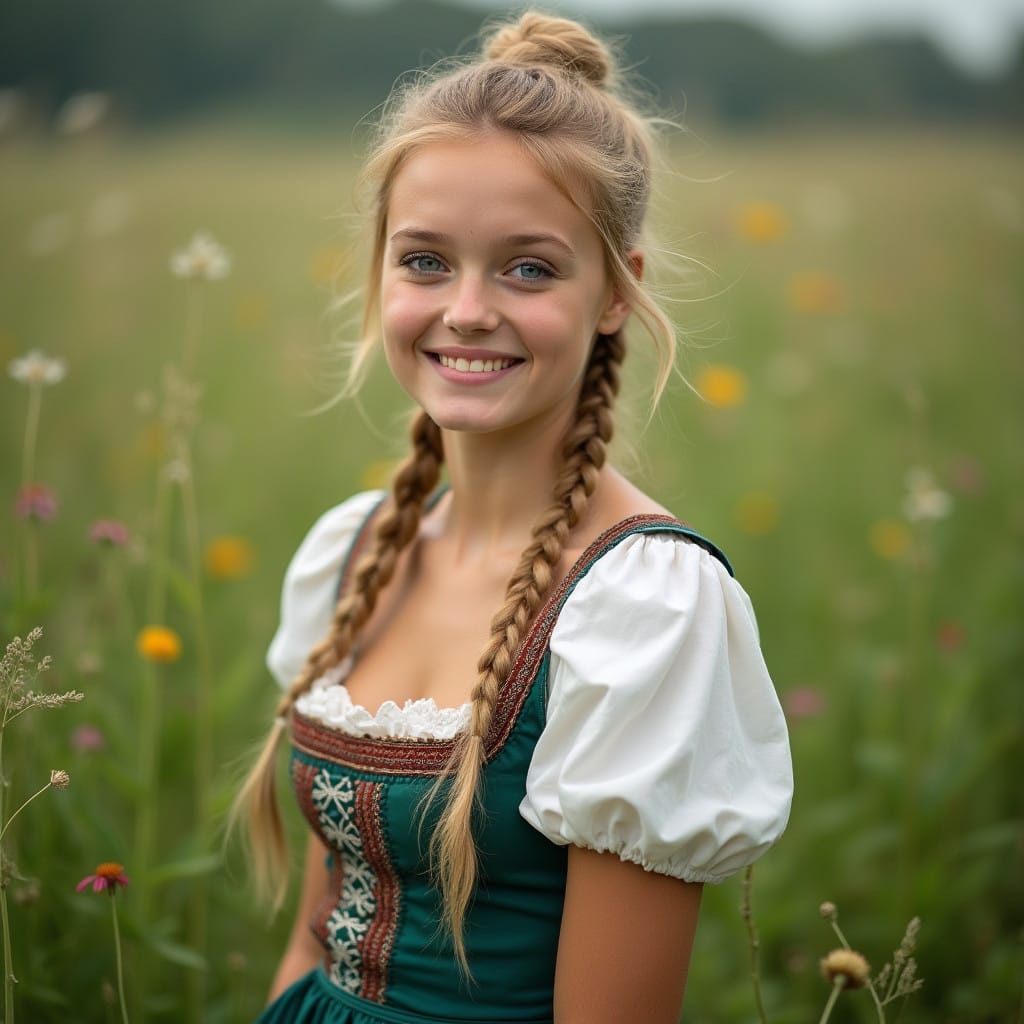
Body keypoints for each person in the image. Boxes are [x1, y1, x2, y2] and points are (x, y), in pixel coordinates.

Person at [233, 10, 793, 1023]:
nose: (468, 309)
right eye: (425, 260)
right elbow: (312, 940)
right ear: (380, 273)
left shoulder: (645, 610)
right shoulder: (354, 551)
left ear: (618, 288)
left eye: (528, 267)